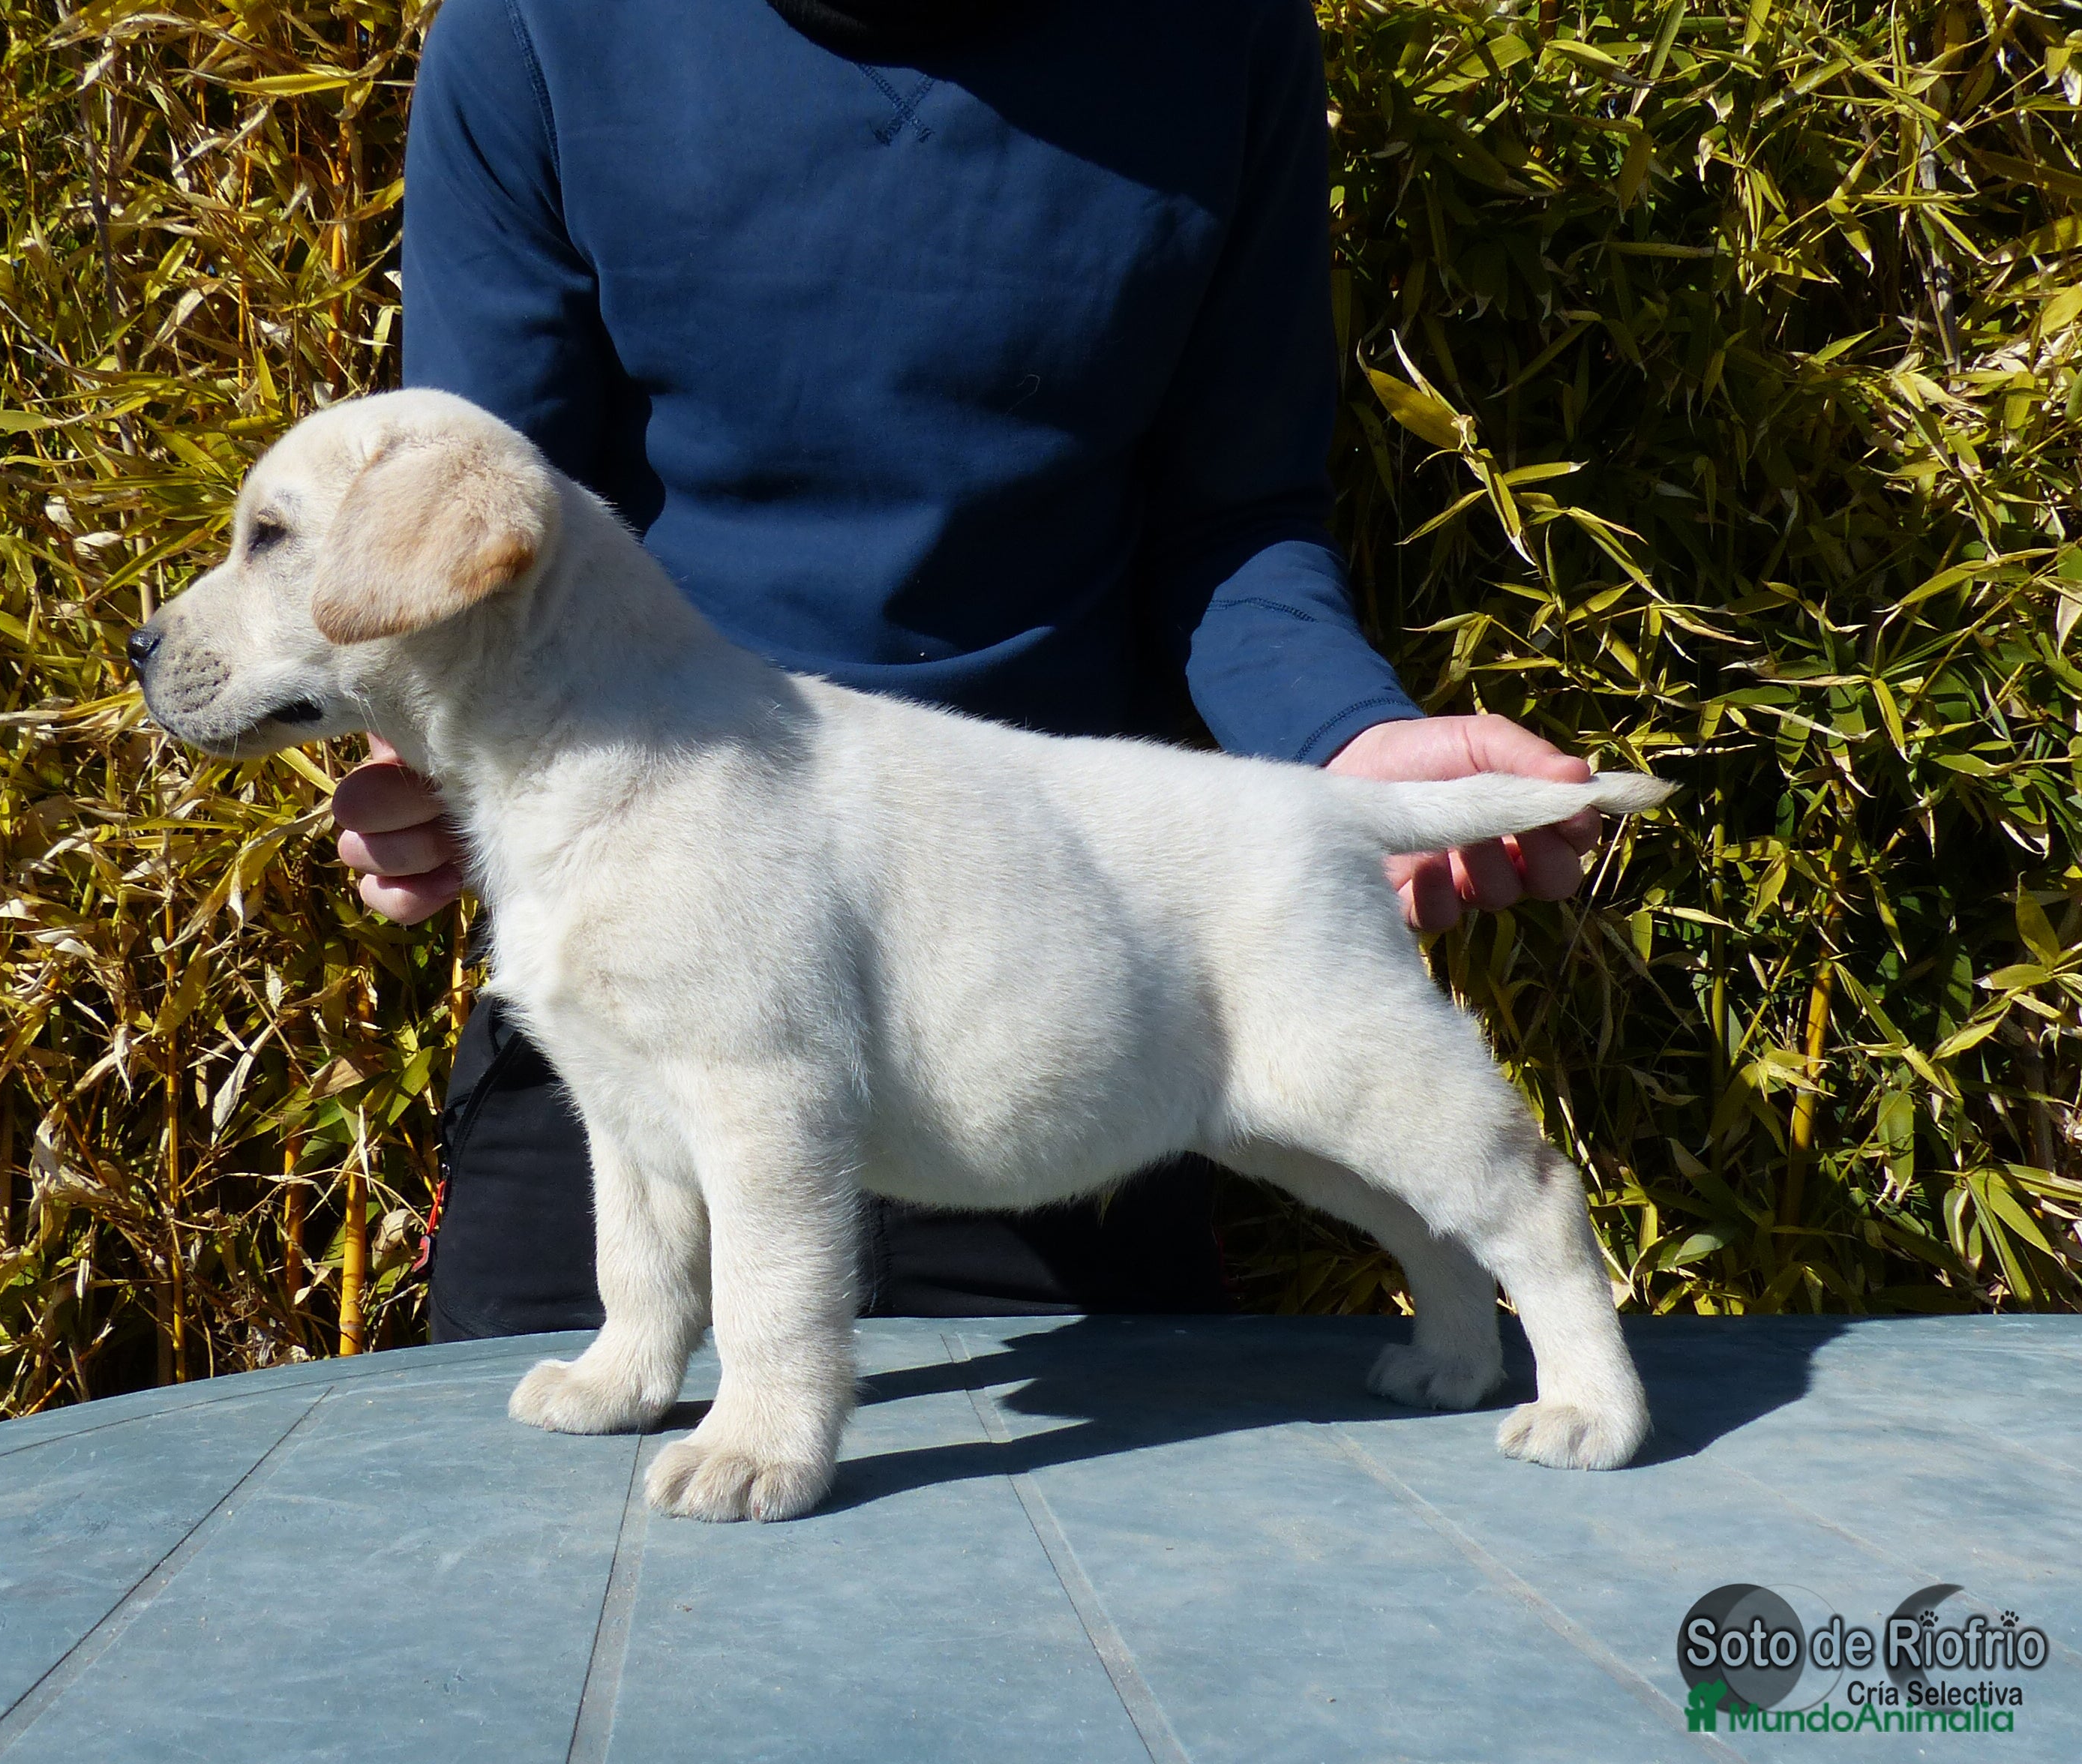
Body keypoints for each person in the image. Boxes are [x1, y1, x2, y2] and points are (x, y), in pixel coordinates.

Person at [344, 0, 1605, 1340]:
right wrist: (425, 737)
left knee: (1085, 1543)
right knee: (572, 1516)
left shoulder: (1221, 37)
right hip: (649, 983)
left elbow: (1231, 518)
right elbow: (482, 521)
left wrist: (1342, 734)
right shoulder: (541, 25)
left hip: (1045, 983)